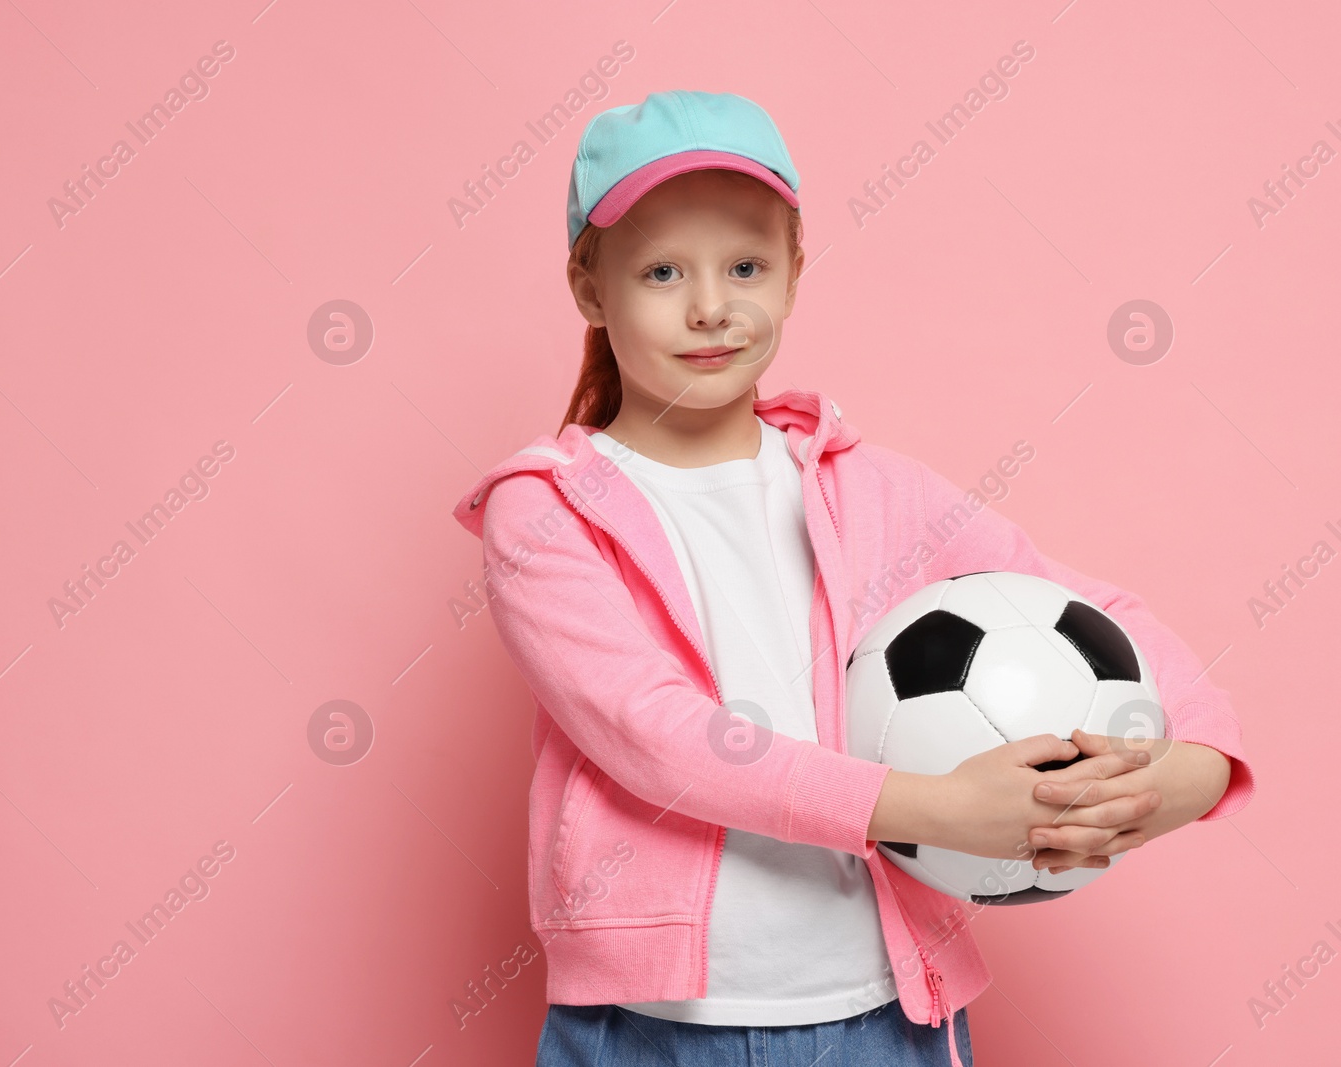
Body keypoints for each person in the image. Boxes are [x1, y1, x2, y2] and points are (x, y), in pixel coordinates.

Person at [449, 89, 1255, 1067]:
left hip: (884, 1018)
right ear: (589, 285)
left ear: (793, 270)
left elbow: (1093, 608)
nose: (710, 305)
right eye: (661, 270)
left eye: (745, 264)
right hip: (652, 1030)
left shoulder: (872, 489)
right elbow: (652, 732)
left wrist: (1187, 768)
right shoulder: (545, 510)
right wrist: (930, 808)